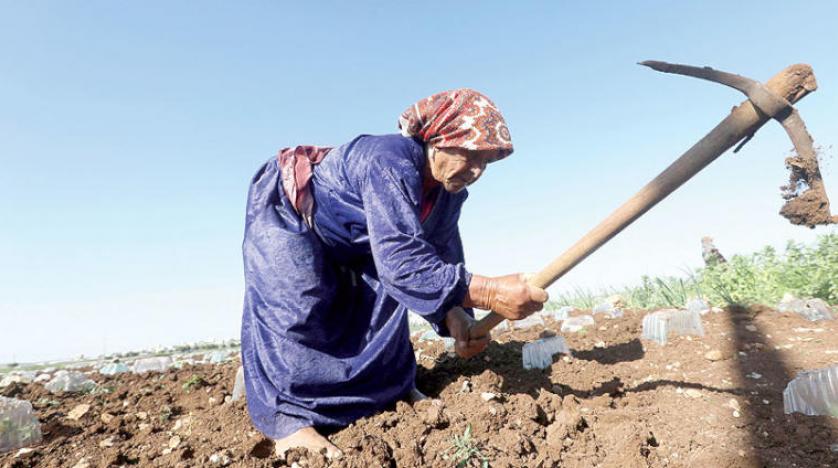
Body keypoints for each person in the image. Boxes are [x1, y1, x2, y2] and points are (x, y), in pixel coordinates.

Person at [240, 89, 549, 458]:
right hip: (292, 212)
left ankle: (391, 388)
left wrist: (458, 319)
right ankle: (289, 423)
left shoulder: (449, 195)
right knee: (298, 306)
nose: (477, 171)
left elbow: (438, 254)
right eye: (470, 156)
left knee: (384, 303)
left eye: (486, 163)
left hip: (361, 238)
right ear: (438, 141)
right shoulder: (389, 161)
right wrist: (488, 292)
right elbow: (403, 263)